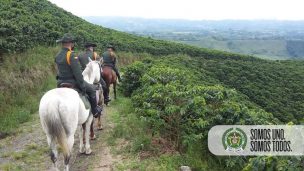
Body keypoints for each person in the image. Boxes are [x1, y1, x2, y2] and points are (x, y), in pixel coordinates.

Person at [55, 33, 102, 117]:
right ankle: (95, 111)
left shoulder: (57, 55)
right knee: (91, 89)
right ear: (71, 44)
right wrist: (83, 86)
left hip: (60, 82)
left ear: (62, 43)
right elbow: (78, 74)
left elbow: (59, 71)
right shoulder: (72, 55)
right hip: (72, 82)